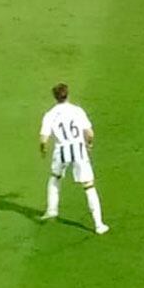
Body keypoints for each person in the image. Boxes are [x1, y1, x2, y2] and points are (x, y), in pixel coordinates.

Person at [39, 83, 108, 234]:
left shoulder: (50, 114)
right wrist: (89, 145)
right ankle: (99, 225)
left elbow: (44, 139)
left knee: (55, 178)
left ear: (55, 97)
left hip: (61, 151)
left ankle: (52, 210)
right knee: (89, 186)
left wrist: (43, 150)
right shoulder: (77, 111)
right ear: (67, 94)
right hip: (79, 150)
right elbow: (89, 133)